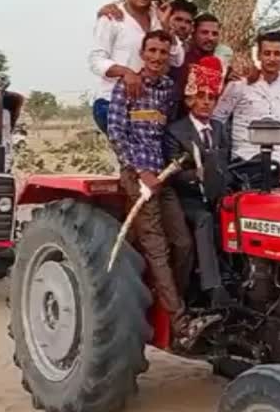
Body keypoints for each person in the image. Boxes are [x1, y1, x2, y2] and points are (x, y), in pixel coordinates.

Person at [107, 29, 219, 349]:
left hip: (164, 175)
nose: (157, 57)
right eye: (152, 51)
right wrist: (141, 172)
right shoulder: (125, 87)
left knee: (182, 243)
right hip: (138, 176)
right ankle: (179, 321)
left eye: (163, 52)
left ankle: (172, 299)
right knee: (157, 248)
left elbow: (172, 125)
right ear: (142, 53)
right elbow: (116, 134)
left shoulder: (169, 89)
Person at [164, 62, 233, 308]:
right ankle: (212, 288)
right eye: (201, 96)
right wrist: (197, 175)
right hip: (187, 200)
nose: (206, 102)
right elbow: (172, 174)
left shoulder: (219, 128)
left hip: (216, 195)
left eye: (212, 97)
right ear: (191, 99)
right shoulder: (176, 131)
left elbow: (227, 163)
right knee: (204, 219)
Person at [88, 0, 185, 134]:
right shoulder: (112, 18)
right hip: (112, 100)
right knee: (131, 155)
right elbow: (96, 60)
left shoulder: (159, 17)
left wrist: (166, 25)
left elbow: (177, 60)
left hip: (148, 104)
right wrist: (126, 73)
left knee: (149, 156)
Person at [213, 31, 280, 189]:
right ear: (259, 55)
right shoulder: (241, 84)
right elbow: (217, 119)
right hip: (243, 164)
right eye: (267, 53)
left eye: (277, 54)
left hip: (279, 163)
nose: (272, 58)